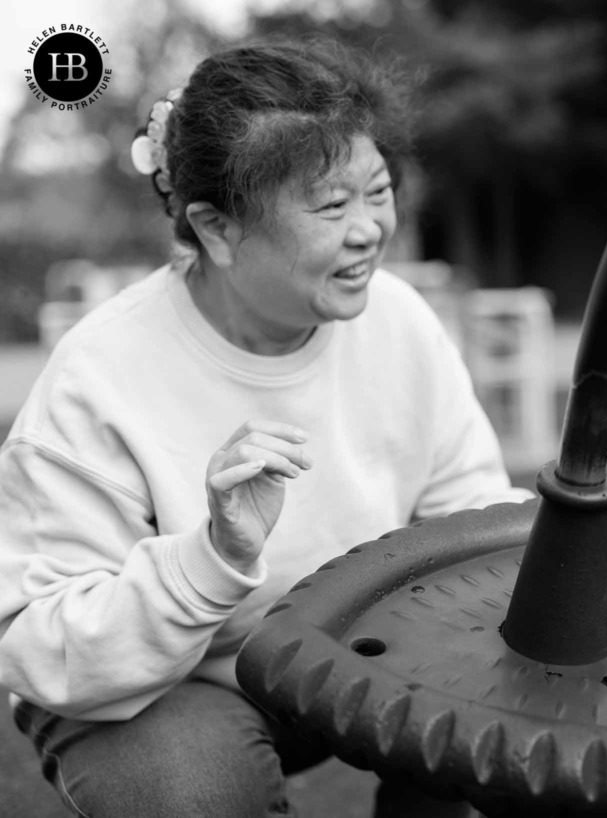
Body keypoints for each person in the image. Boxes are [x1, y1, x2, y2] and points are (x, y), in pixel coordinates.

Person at [0, 39, 531, 818]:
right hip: (156, 689)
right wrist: (214, 558)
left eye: (377, 191)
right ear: (217, 229)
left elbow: (469, 512)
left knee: (512, 722)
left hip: (349, 661)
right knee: (196, 796)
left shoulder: (400, 322)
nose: (368, 230)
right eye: (329, 205)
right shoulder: (99, 377)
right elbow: (42, 647)